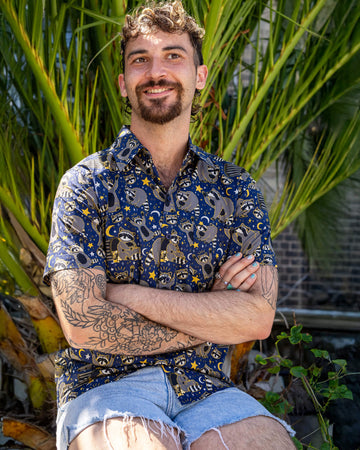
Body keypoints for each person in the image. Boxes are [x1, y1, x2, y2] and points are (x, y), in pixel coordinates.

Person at [44, 1, 295, 449]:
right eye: (140, 59)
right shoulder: (86, 183)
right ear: (124, 84)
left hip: (210, 391)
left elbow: (258, 319)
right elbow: (84, 326)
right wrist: (217, 315)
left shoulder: (236, 189)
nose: (156, 71)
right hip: (105, 388)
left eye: (173, 56)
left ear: (199, 76)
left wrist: (128, 296)